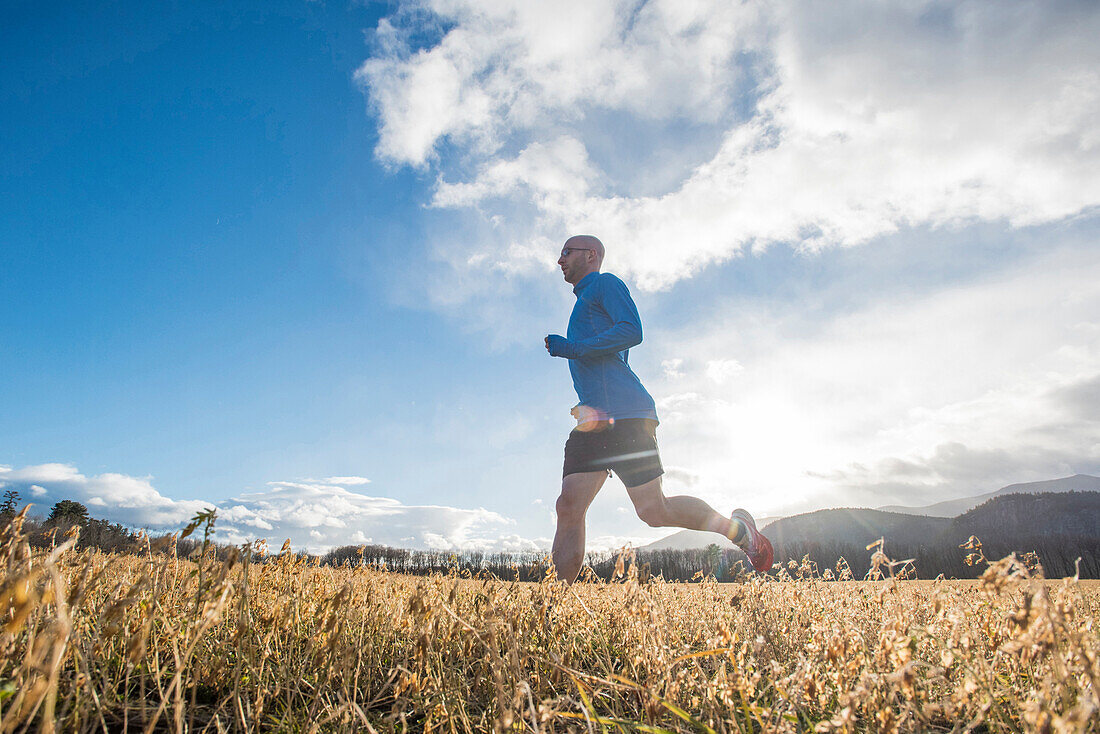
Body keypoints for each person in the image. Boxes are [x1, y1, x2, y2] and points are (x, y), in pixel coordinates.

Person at [544, 234, 773, 584]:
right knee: (569, 506)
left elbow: (632, 330)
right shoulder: (583, 304)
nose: (560, 260)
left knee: (653, 510)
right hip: (593, 420)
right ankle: (554, 607)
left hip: (627, 415)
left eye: (566, 252)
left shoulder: (605, 284)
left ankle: (740, 533)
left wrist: (573, 348)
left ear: (591, 255)